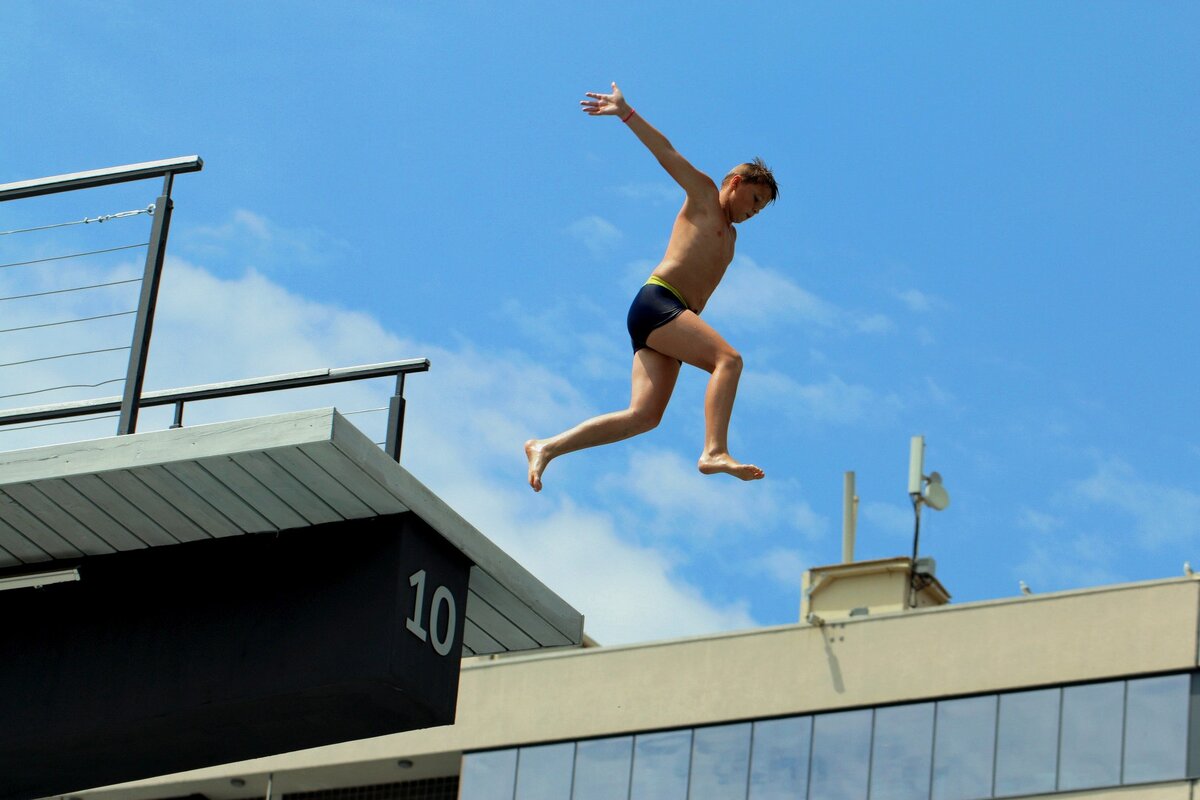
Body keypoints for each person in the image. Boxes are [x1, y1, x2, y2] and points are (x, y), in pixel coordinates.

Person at [525, 82, 778, 492]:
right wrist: (626, 113)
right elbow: (666, 152)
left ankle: (546, 447)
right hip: (659, 302)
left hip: (671, 320)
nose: (753, 211)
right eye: (753, 199)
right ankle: (714, 450)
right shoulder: (704, 196)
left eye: (761, 209)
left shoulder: (730, 239)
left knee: (644, 416)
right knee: (728, 361)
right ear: (734, 182)